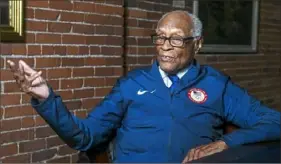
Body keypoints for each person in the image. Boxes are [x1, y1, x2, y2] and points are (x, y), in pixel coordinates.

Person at [7, 10, 280, 163]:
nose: (164, 47)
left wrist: (224, 143)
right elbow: (84, 137)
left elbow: (274, 122)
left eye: (176, 39)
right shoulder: (131, 84)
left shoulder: (217, 85)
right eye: (160, 38)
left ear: (197, 43)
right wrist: (45, 97)